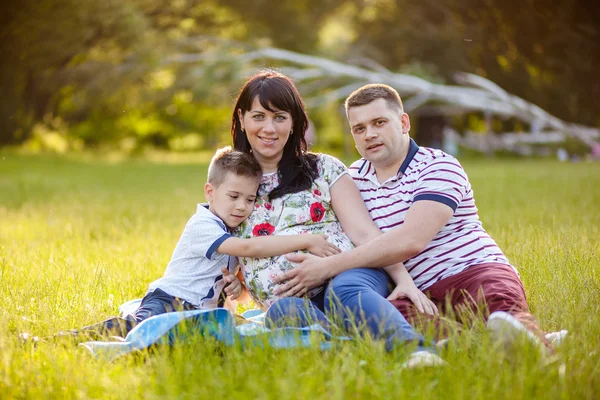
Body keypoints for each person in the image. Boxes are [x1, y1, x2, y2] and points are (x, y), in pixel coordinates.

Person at [275, 83, 555, 354]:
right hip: (412, 290)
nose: (369, 134)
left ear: (404, 123)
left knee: (496, 306)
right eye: (359, 129)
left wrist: (326, 267)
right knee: (385, 319)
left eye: (379, 122)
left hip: (471, 270)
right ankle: (469, 347)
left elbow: (411, 240)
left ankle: (532, 343)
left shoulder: (438, 165)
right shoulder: (351, 178)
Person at [231, 70, 444, 366]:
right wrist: (232, 283)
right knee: (282, 313)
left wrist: (403, 280)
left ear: (294, 124)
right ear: (242, 119)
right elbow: (222, 246)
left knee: (343, 291)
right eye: (259, 117)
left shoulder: (324, 168)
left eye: (280, 117)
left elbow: (364, 232)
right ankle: (354, 356)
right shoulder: (230, 183)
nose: (269, 128)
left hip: (349, 273)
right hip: (288, 299)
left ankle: (415, 351)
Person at [49, 147, 340, 340]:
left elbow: (236, 287)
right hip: (169, 299)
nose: (241, 206)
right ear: (210, 192)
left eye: (249, 199)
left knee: (183, 341)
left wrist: (236, 287)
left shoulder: (232, 229)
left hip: (198, 311)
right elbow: (249, 250)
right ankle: (63, 339)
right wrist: (307, 239)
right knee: (139, 331)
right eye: (233, 196)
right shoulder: (202, 225)